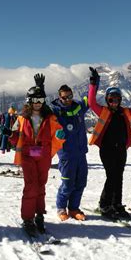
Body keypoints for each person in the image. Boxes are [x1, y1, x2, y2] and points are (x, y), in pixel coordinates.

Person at [8, 74, 65, 237]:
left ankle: (39, 215)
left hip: (43, 154)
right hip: (28, 154)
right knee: (31, 185)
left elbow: (58, 132)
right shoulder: (22, 118)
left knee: (41, 185)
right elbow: (15, 138)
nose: (38, 103)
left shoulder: (50, 117)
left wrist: (60, 135)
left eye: (41, 100)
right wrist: (10, 134)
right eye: (35, 100)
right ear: (29, 101)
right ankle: (27, 218)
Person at [88, 67, 131, 220]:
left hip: (121, 149)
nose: (114, 102)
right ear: (107, 100)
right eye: (111, 99)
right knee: (112, 176)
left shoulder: (125, 112)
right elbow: (91, 102)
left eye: (117, 99)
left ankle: (117, 204)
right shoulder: (103, 111)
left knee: (119, 176)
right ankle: (105, 204)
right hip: (106, 149)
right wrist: (94, 83)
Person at [50, 84, 89, 221]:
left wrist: (94, 83)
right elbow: (42, 111)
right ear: (59, 97)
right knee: (68, 184)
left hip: (80, 153)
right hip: (66, 154)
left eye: (70, 96)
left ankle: (74, 208)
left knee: (81, 182)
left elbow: (89, 100)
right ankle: (61, 208)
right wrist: (41, 88)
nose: (68, 100)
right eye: (64, 97)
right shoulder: (55, 110)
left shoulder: (78, 107)